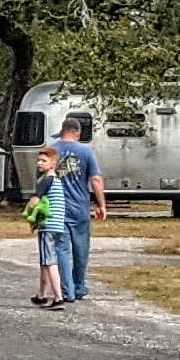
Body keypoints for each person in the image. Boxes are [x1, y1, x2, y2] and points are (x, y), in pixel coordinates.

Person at [53, 111, 106, 298]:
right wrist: (101, 204)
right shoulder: (86, 151)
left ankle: (67, 290)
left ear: (63, 131)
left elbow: (41, 181)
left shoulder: (50, 151)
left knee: (61, 249)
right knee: (81, 249)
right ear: (78, 132)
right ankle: (78, 286)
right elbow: (96, 179)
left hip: (57, 208)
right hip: (80, 208)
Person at [22, 145, 68, 306]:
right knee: (44, 261)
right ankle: (42, 294)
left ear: (53, 163)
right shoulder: (57, 181)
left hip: (48, 226)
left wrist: (29, 217)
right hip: (57, 226)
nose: (39, 164)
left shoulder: (46, 181)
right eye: (38, 160)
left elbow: (35, 202)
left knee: (50, 262)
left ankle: (58, 297)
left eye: (43, 160)